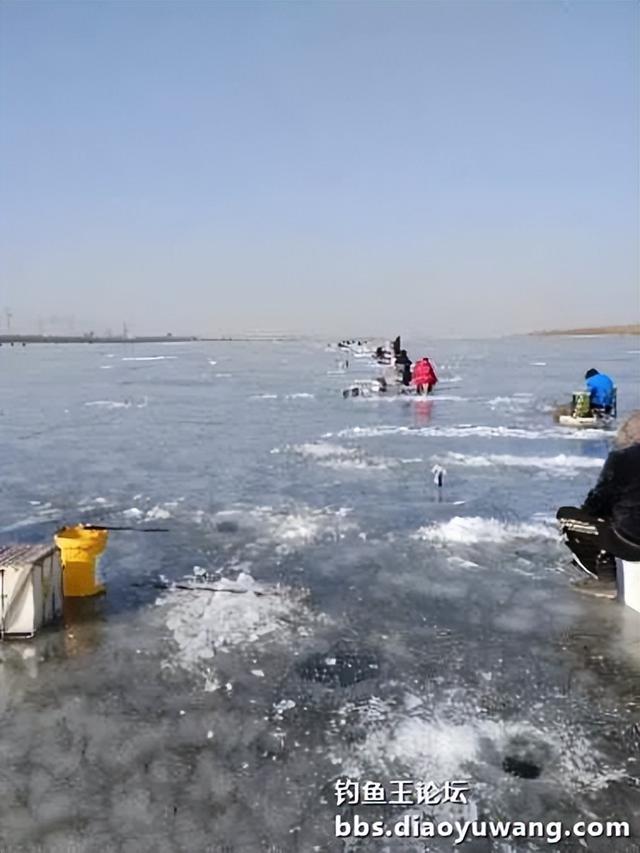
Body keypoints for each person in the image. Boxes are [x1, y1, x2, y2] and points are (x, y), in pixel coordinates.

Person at [556, 411, 640, 598]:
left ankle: (606, 578)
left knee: (567, 516)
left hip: (633, 542)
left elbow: (599, 501)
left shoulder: (622, 458)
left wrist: (589, 514)